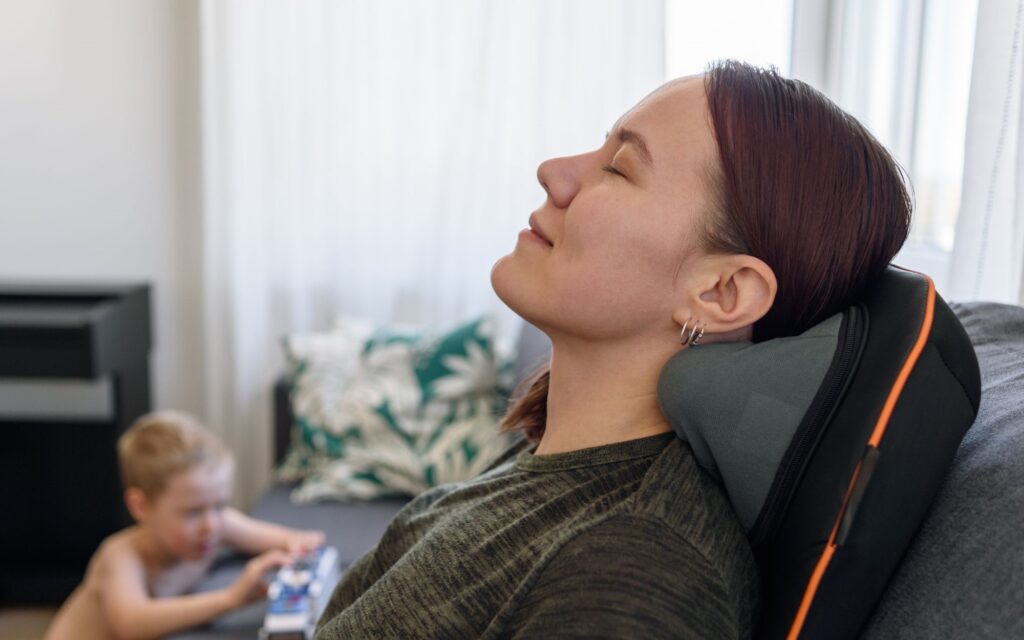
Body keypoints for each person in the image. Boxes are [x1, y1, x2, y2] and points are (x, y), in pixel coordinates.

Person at [314, 60, 911, 639]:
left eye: (620, 168)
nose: (553, 171)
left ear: (722, 292)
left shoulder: (631, 570)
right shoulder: (553, 458)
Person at [44, 411, 326, 640]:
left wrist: (297, 546)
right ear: (141, 506)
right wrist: (230, 598)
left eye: (219, 505)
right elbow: (130, 623)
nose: (212, 525)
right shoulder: (120, 557)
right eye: (192, 512)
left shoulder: (212, 524)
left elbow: (289, 539)